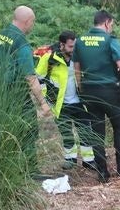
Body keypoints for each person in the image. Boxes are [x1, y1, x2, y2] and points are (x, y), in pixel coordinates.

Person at [73, 10, 120, 183]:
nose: (111, 28)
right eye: (111, 25)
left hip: (90, 92)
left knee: (97, 132)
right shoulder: (110, 41)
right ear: (107, 23)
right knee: (119, 127)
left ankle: (102, 172)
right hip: (110, 91)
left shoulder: (79, 42)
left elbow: (77, 70)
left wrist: (81, 90)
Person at [0, 6, 52, 176]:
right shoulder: (21, 43)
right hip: (16, 93)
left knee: (6, 129)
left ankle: (6, 167)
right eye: (33, 22)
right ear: (27, 21)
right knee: (29, 129)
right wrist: (43, 104)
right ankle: (30, 170)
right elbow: (30, 78)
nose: (32, 26)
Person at [35, 31, 97, 171]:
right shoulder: (49, 58)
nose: (73, 49)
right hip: (60, 103)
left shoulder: (79, 57)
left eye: (75, 46)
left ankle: (88, 160)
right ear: (62, 45)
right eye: (70, 47)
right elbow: (38, 79)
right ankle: (70, 159)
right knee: (66, 133)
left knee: (86, 131)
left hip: (80, 102)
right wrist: (47, 99)